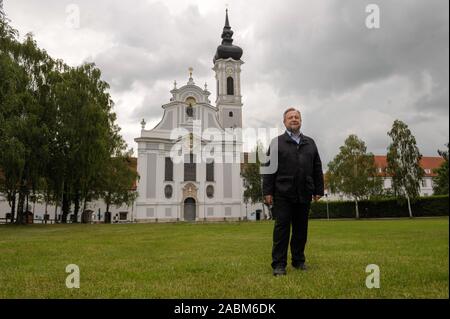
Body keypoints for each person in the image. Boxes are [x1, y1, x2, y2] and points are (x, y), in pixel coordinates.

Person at [262, 107, 324, 276]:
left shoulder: (310, 143)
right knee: (281, 230)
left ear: (301, 121)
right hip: (282, 193)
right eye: (290, 117)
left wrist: (319, 189)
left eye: (297, 117)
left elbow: (317, 167)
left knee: (300, 230)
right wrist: (267, 191)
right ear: (285, 122)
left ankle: (298, 261)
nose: (294, 119)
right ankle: (279, 265)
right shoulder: (276, 143)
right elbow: (268, 169)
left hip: (304, 192)